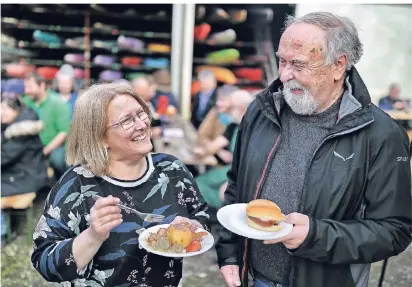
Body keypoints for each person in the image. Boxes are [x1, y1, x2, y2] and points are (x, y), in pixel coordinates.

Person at [216, 12, 411, 287]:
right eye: (281, 60)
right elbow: (236, 188)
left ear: (338, 66)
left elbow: (395, 230)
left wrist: (316, 236)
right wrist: (229, 255)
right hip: (255, 279)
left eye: (298, 64)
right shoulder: (261, 110)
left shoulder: (380, 134)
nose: (284, 75)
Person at [31, 82, 210, 286]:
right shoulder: (77, 185)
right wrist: (93, 236)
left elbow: (200, 214)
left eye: (141, 113)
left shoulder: (172, 170)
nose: (142, 124)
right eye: (126, 121)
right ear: (100, 137)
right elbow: (45, 262)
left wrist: (193, 228)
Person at [195, 90, 253, 209]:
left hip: (244, 173)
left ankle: (220, 212)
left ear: (241, 108)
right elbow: (216, 144)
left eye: (231, 107)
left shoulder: (254, 128)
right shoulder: (234, 125)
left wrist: (231, 182)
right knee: (197, 182)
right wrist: (203, 151)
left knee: (200, 185)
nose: (228, 110)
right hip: (231, 168)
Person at [1, 96, 47, 245]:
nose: (1, 113)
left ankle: (3, 233)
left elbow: (4, 156)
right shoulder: (14, 124)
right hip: (23, 171)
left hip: (28, 176)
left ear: (15, 110)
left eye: (4, 109)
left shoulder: (19, 132)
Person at [23, 71, 71, 179]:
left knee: (57, 159)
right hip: (32, 145)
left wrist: (44, 151)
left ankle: (65, 181)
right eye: (25, 87)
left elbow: (63, 133)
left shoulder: (58, 103)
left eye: (30, 87)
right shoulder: (26, 102)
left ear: (42, 86)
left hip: (55, 147)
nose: (26, 91)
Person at [196, 85, 238, 149]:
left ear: (234, 102)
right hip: (215, 154)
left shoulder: (241, 118)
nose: (218, 103)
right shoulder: (215, 112)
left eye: (223, 100)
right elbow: (201, 136)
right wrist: (218, 151)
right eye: (218, 99)